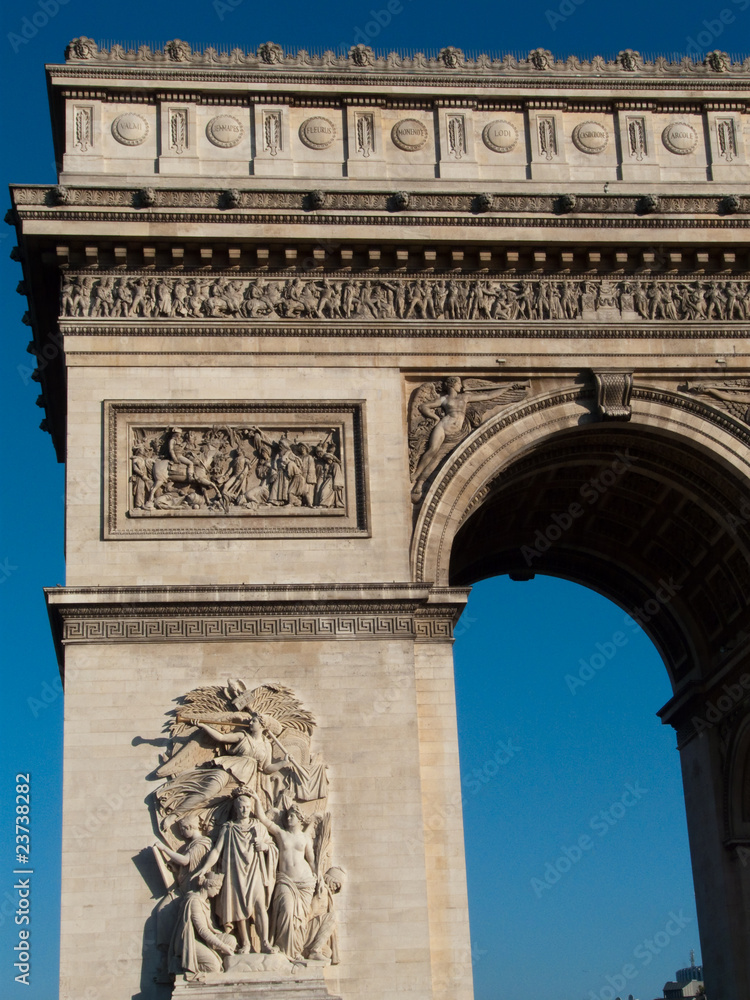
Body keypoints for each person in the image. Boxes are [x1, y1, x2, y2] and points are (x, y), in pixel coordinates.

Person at [194, 790, 278, 954]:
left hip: (255, 871)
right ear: (236, 809)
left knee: (260, 906)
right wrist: (204, 868)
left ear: (251, 807)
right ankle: (245, 943)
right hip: (235, 871)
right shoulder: (228, 828)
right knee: (239, 908)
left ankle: (265, 942)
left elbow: (272, 847)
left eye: (247, 806)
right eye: (241, 807)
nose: (244, 810)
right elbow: (217, 851)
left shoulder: (258, 827)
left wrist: (265, 846)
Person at [248, 792, 316, 960]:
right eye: (287, 816)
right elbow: (263, 819)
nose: (288, 818)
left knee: (299, 919)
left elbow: (311, 860)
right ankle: (283, 948)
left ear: (299, 818)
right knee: (286, 910)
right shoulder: (281, 833)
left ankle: (296, 951)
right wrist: (256, 799)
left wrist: (319, 877)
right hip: (286, 880)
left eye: (292, 816)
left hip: (305, 882)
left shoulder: (305, 838)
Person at [168, 872, 236, 977]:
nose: (218, 892)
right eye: (217, 889)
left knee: (231, 940)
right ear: (209, 886)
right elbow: (202, 930)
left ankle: (225, 966)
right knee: (213, 966)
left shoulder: (205, 902)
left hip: (201, 939)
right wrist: (223, 946)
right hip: (189, 940)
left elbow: (209, 928)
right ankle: (183, 966)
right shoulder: (194, 901)